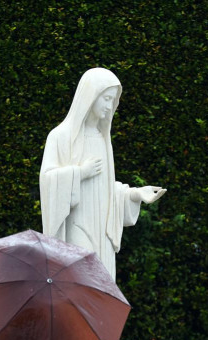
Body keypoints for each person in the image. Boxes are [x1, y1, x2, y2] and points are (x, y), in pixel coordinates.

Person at [40, 67, 166, 281]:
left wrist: (135, 194)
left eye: (113, 101)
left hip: (103, 229)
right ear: (90, 96)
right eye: (106, 99)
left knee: (101, 287)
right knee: (81, 281)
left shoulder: (102, 139)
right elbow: (47, 179)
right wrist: (80, 172)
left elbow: (105, 188)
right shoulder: (60, 136)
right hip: (77, 226)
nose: (110, 107)